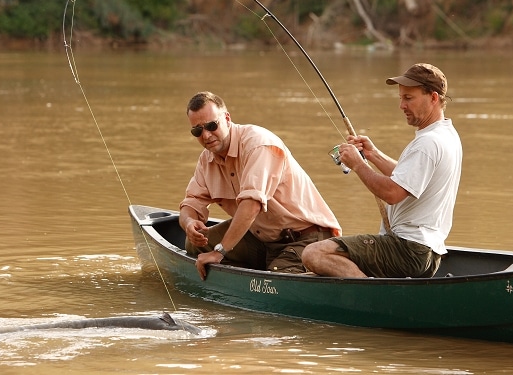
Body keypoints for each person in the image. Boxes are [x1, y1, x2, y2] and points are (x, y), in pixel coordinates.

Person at [301, 63, 462, 278]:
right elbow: (409, 178)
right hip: (428, 252)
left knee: (314, 254)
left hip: (407, 249)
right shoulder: (446, 134)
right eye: (401, 98)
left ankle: (368, 297)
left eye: (408, 98)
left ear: (433, 98)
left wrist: (358, 165)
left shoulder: (428, 144)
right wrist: (372, 154)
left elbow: (393, 193)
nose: (401, 105)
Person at [179, 91, 341, 280]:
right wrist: (189, 222)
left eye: (212, 125)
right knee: (194, 244)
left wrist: (220, 251)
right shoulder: (206, 159)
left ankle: (260, 272)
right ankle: (244, 274)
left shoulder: (258, 144)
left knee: (278, 280)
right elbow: (190, 203)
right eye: (197, 131)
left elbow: (251, 205)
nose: (206, 135)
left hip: (306, 239)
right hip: (261, 238)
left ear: (227, 119)